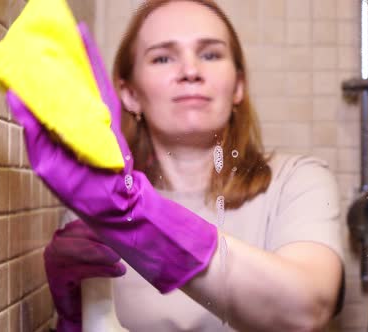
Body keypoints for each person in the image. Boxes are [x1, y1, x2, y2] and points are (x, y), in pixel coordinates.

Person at [29, 0, 345, 331]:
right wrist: (74, 321)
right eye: (163, 57)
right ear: (129, 93)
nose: (191, 71)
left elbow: (308, 308)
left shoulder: (297, 181)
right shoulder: (97, 204)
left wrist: (134, 217)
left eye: (210, 54)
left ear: (238, 85)